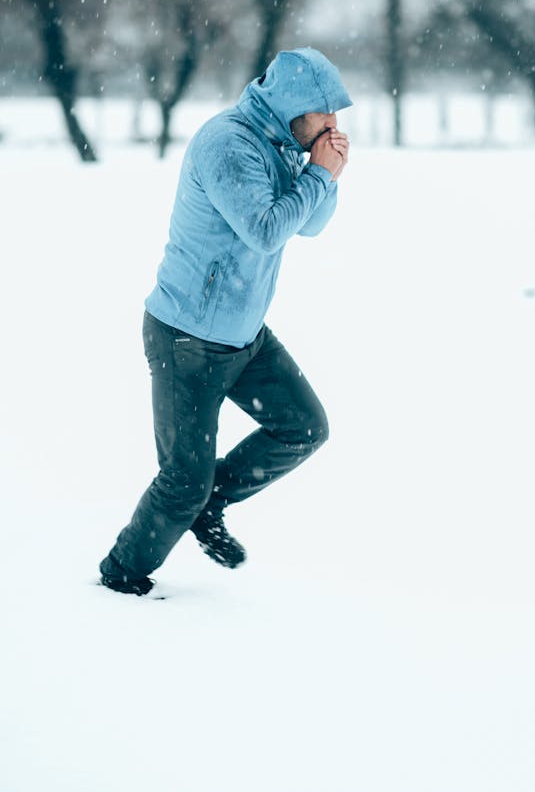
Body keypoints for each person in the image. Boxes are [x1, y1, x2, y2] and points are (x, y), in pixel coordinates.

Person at [99, 47, 351, 595]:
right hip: (186, 338)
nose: (335, 126)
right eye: (326, 115)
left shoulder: (284, 145)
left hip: (243, 338)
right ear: (293, 107)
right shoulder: (228, 145)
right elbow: (264, 228)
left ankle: (213, 499)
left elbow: (307, 226)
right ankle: (120, 577)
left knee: (303, 428)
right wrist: (319, 176)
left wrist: (324, 177)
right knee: (180, 485)